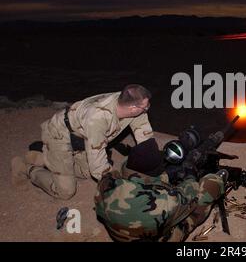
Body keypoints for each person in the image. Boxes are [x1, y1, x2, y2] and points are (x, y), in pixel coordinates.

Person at [11, 84, 154, 200]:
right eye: (145, 107)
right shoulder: (98, 118)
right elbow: (98, 167)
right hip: (60, 135)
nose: (147, 109)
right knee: (66, 191)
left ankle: (47, 159)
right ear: (132, 108)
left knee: (86, 172)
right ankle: (26, 168)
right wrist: (121, 185)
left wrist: (151, 165)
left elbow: (145, 136)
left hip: (80, 138)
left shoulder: (127, 103)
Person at [94, 138, 227, 242]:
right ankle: (218, 181)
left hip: (121, 235)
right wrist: (190, 176)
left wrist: (167, 175)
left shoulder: (105, 184)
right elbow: (188, 196)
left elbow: (141, 181)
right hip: (154, 237)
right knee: (209, 186)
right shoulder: (164, 202)